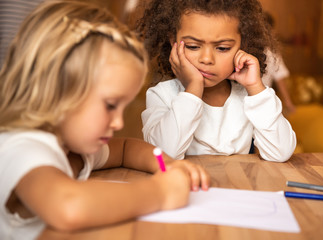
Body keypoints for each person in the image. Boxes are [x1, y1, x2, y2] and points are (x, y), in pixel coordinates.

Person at [0, 1, 210, 239]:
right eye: (110, 105)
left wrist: (168, 165)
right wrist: (161, 192)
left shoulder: (74, 147)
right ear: (59, 90)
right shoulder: (23, 147)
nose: (118, 123)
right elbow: (69, 207)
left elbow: (125, 148)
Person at [137, 0, 296, 161]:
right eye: (193, 46)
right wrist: (193, 88)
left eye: (222, 48)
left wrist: (255, 87)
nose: (206, 59)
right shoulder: (161, 95)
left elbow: (280, 153)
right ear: (174, 42)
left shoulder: (249, 97)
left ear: (243, 45)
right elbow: (163, 156)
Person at [262, 12, 296, 114]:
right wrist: (288, 102)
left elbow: (280, 78)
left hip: (259, 101)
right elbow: (280, 79)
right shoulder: (272, 53)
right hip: (261, 101)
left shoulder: (271, 53)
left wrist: (288, 102)